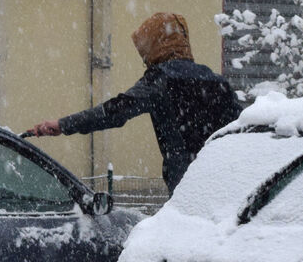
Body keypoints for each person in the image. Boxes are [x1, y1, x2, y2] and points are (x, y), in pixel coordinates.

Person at [25, 12, 242, 194]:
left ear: (157, 45)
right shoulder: (218, 81)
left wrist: (63, 124)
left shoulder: (161, 79)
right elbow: (242, 129)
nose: (144, 57)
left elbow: (115, 112)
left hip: (187, 185)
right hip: (227, 182)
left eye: (145, 49)